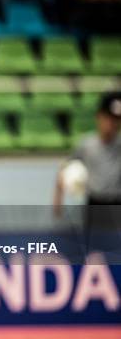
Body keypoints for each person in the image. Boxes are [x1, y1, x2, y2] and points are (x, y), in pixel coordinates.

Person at [53, 91, 121, 259]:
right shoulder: (87, 144)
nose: (112, 124)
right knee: (93, 252)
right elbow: (65, 168)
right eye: (109, 118)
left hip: (116, 204)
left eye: (117, 120)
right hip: (94, 205)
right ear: (99, 117)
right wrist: (58, 199)